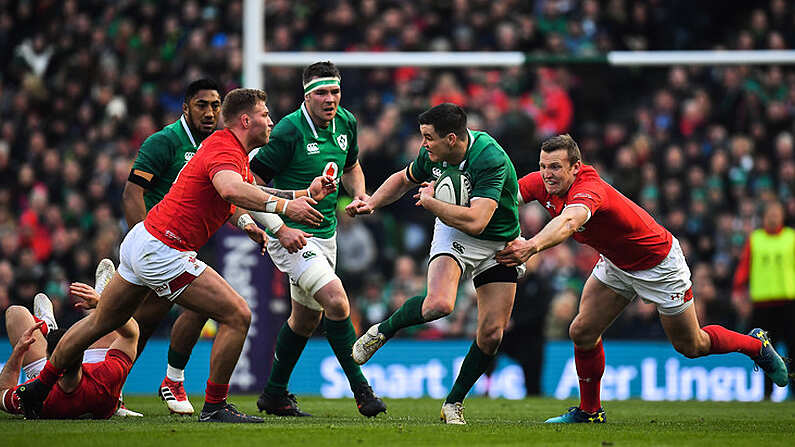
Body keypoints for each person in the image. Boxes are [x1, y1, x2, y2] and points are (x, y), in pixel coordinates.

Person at [14, 88, 330, 423]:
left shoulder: (226, 149)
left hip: (144, 241)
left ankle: (37, 390)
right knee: (238, 315)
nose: (271, 121)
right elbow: (230, 189)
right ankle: (214, 404)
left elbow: (250, 188)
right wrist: (285, 206)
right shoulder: (224, 149)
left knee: (101, 322)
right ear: (246, 120)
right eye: (266, 115)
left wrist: (301, 193)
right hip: (166, 249)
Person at [495, 134, 790, 423]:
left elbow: (569, 222)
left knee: (692, 345)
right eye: (544, 166)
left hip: (658, 264)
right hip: (616, 262)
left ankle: (756, 345)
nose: (547, 174)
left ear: (575, 167)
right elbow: (503, 200)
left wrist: (530, 246)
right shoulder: (542, 182)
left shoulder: (589, 189)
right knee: (582, 331)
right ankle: (590, 412)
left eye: (555, 167)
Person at [350, 103, 523, 425]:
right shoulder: (432, 156)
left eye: (429, 137)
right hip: (453, 230)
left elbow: (478, 220)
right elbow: (403, 179)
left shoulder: (489, 157)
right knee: (439, 304)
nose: (424, 144)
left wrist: (432, 203)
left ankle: (453, 404)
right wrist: (371, 203)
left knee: (492, 335)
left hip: (495, 240)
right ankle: (383, 330)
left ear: (452, 139)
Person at [248, 61, 386, 418]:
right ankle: (362, 392)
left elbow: (352, 165)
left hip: (327, 234)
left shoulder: (347, 123)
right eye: (322, 93)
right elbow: (251, 185)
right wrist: (281, 226)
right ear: (306, 96)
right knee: (338, 303)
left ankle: (274, 394)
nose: (330, 99)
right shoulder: (288, 132)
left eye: (335, 91)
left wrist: (360, 194)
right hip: (293, 235)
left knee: (305, 321)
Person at [122, 78, 220, 415]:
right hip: (154, 246)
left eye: (216, 106)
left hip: (182, 247)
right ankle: (78, 380)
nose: (210, 112)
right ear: (186, 107)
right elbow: (132, 193)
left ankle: (169, 380)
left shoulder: (215, 147)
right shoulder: (164, 142)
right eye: (202, 105)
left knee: (195, 307)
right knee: (130, 323)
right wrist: (143, 243)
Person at [1, 292, 138, 419]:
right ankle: (119, 400)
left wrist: (17, 353)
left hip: (43, 383)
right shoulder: (106, 376)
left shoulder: (34, 395)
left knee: (16, 313)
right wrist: (103, 305)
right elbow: (131, 334)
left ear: (48, 358)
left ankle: (49, 329)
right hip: (96, 388)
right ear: (83, 353)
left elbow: (2, 393)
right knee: (103, 322)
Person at [732, 200, 795, 399]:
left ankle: (794, 391)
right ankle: (767, 394)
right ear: (764, 217)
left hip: (788, 303)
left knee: (793, 348)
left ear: (783, 216)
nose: (773, 217)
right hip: (762, 304)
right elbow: (744, 266)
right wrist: (738, 289)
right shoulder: (755, 239)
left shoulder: (791, 238)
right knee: (764, 352)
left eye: (777, 213)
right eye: (770, 213)